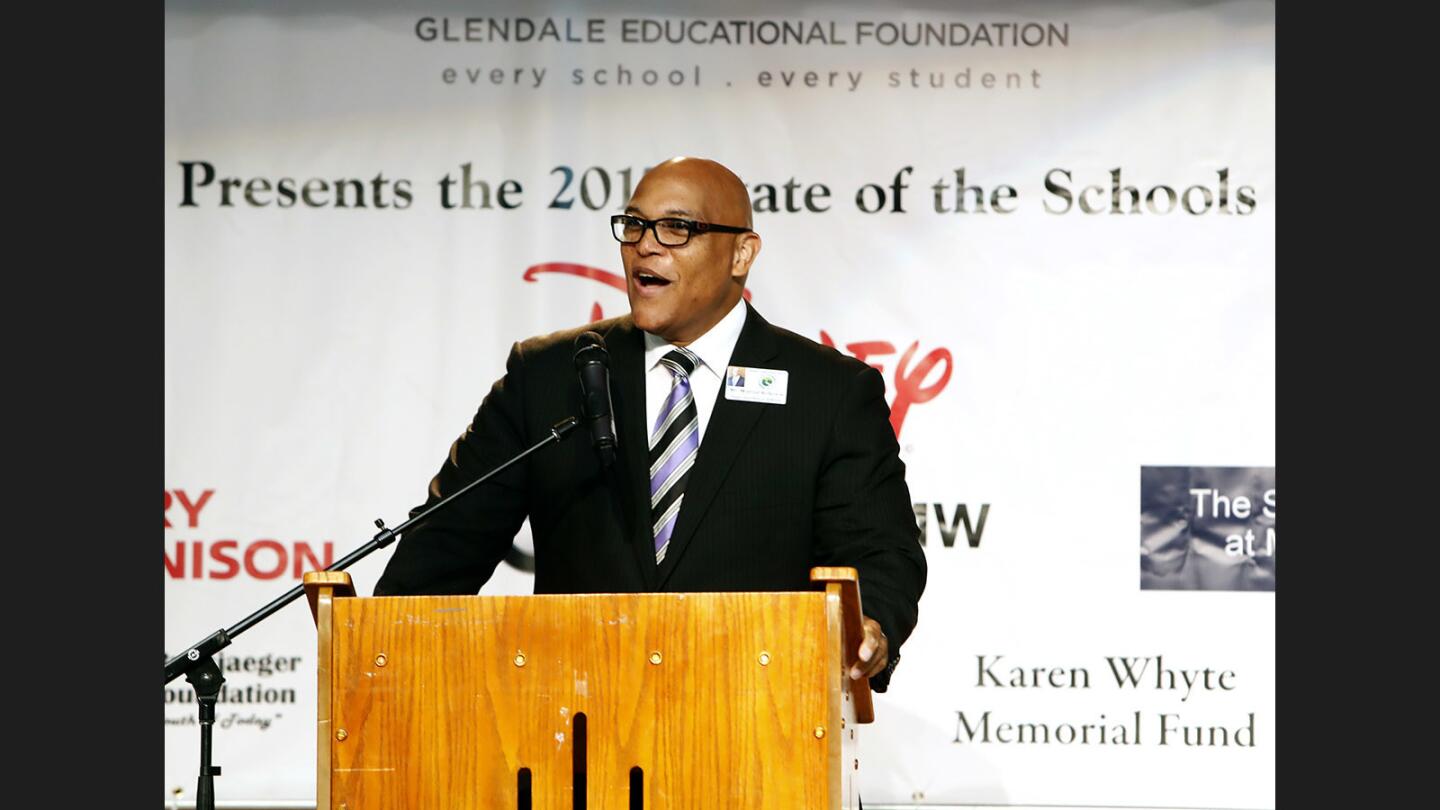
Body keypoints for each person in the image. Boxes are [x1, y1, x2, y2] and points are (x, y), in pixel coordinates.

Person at [375, 157, 926, 690]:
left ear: (741, 253)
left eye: (676, 227)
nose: (645, 243)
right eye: (634, 225)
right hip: (574, 729)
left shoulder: (826, 391)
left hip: (759, 726)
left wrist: (869, 626)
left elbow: (881, 554)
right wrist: (378, 648)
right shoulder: (549, 377)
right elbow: (445, 543)